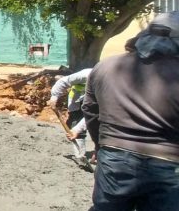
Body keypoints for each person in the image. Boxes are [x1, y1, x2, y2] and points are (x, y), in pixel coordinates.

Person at [82, 11, 179, 210]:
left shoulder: (105, 67)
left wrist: (101, 147)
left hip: (114, 159)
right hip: (168, 166)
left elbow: (90, 112)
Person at [48, 68, 92, 161]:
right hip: (76, 100)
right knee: (75, 123)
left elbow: (94, 114)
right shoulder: (86, 74)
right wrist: (54, 97)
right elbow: (63, 81)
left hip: (92, 101)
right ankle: (80, 154)